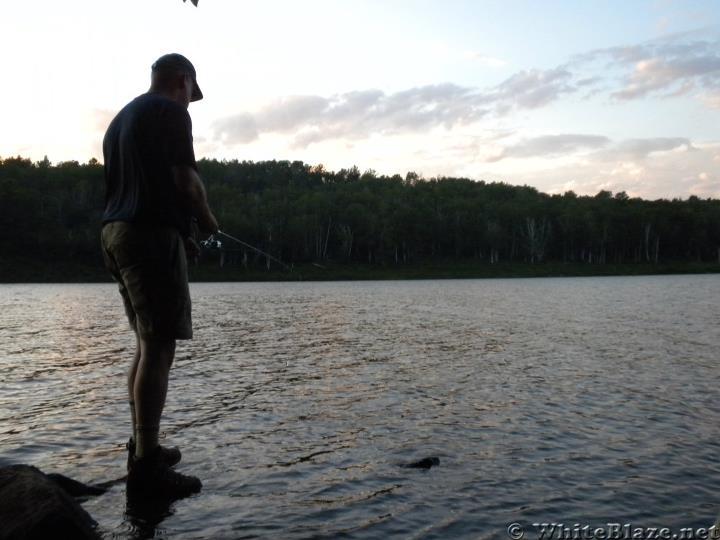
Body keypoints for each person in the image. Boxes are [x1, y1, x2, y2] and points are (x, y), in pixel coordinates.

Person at [101, 53, 218, 499]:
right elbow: (186, 182)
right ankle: (147, 464)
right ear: (182, 81)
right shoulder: (169, 111)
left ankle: (143, 445)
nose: (191, 102)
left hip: (116, 234)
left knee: (146, 343)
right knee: (159, 345)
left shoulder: (121, 120)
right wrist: (207, 221)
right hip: (148, 238)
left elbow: (139, 184)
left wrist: (179, 228)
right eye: (192, 92)